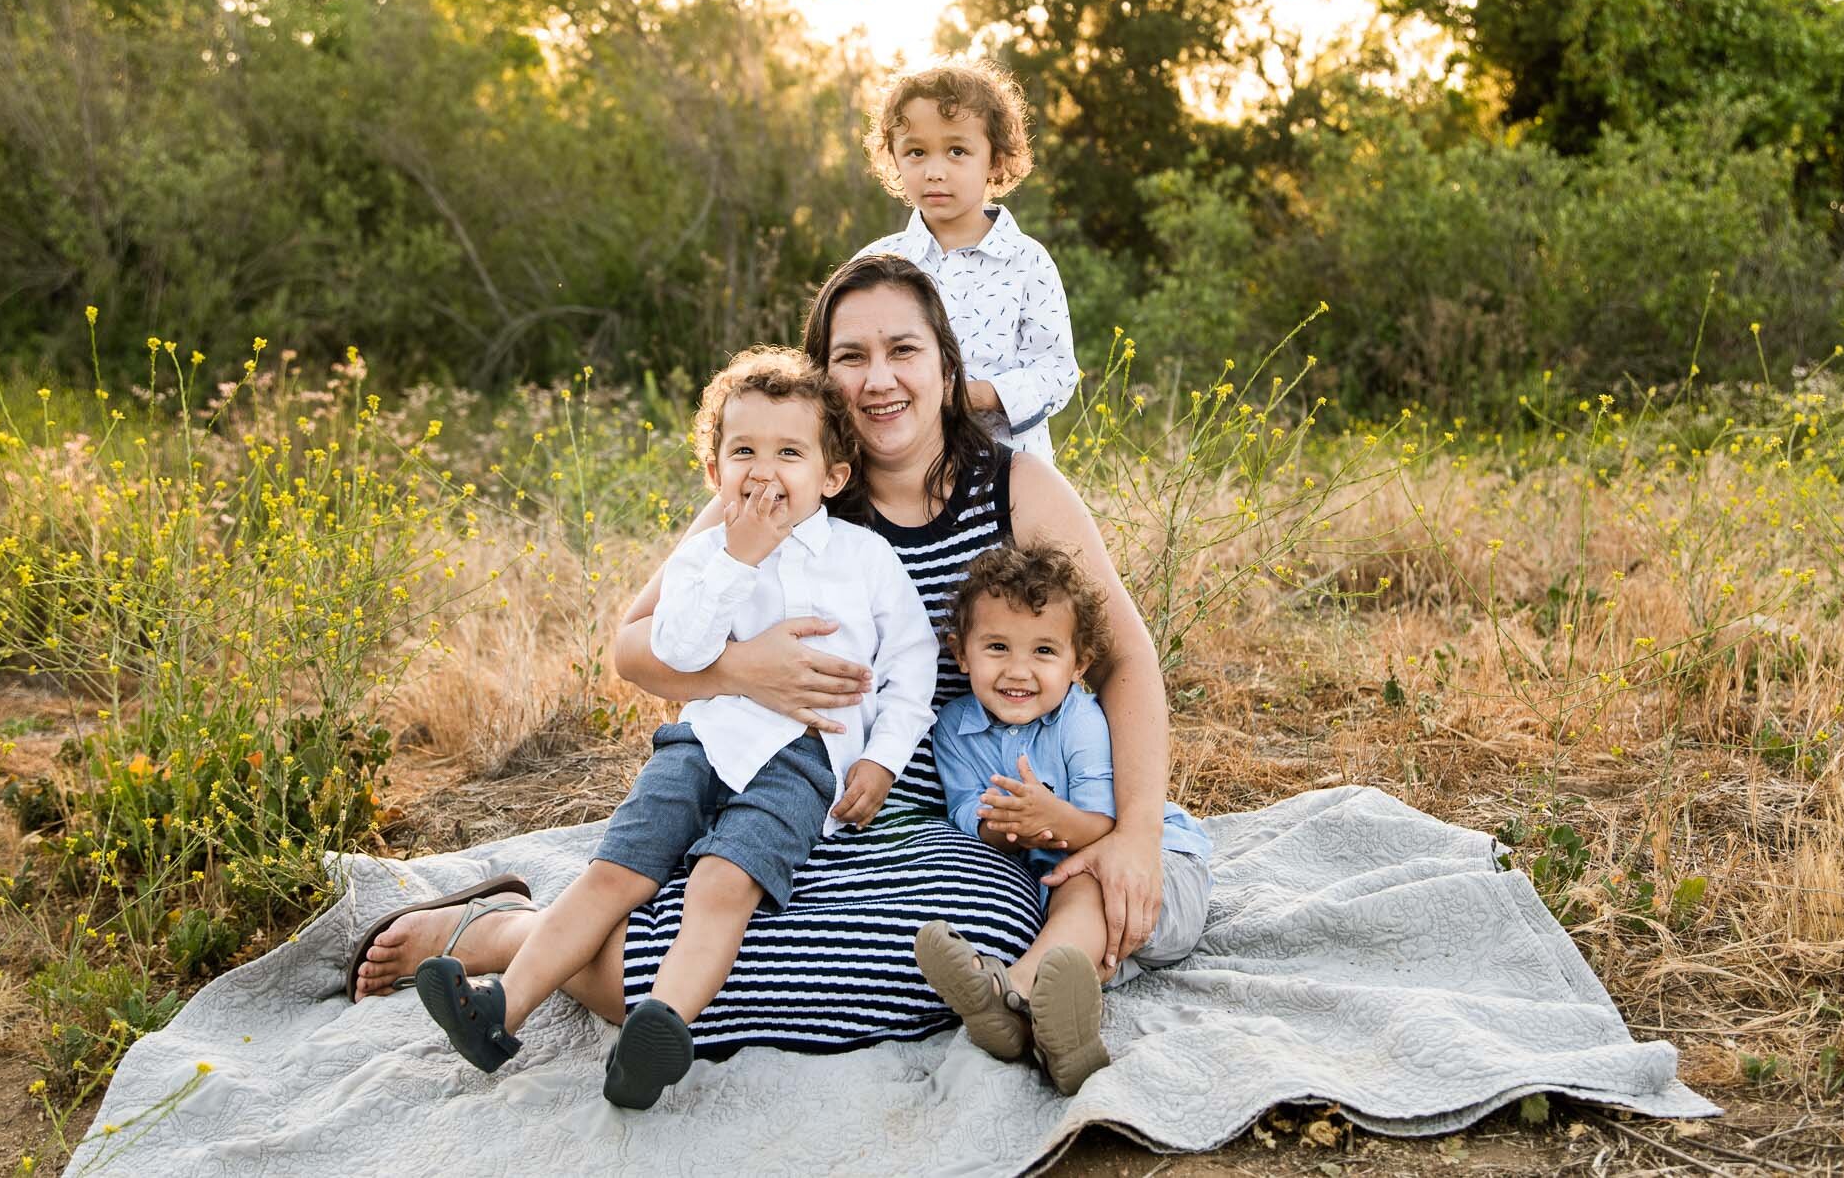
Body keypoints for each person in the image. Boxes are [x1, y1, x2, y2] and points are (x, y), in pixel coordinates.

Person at [346, 254, 1169, 1078]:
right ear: (823, 379)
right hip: (780, 793)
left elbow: (1125, 658)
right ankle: (499, 933)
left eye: (904, 351)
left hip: (934, 821)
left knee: (979, 939)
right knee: (661, 963)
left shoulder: (1016, 488)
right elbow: (634, 648)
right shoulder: (778, 481)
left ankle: (547, 945)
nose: (879, 379)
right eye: (851, 357)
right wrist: (743, 670)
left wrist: (1135, 831)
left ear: (947, 366)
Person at [405, 348, 937, 1108]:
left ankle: (658, 1027)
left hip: (804, 758)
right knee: (614, 872)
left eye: (789, 452)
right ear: (715, 470)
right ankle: (499, 1009)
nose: (764, 469)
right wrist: (738, 557)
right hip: (701, 741)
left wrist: (881, 761)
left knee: (725, 884)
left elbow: (912, 670)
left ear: (833, 475)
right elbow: (676, 647)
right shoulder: (707, 554)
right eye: (742, 451)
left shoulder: (867, 558)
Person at [915, 543, 1212, 1095]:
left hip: (1156, 871)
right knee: (1071, 935)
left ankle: (1010, 990)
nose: (1018, 671)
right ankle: (1060, 1038)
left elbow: (1105, 828)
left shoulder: (1079, 719)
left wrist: (1049, 819)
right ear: (961, 653)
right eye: (997, 647)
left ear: (1078, 664)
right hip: (1077, 903)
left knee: (1081, 884)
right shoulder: (954, 729)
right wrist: (1000, 827)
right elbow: (965, 813)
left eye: (1044, 651)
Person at [856, 60, 1076, 461]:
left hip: (1004, 471)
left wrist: (981, 395)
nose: (935, 171)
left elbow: (1056, 371)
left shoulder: (1028, 262)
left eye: (957, 151)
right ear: (894, 158)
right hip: (900, 474)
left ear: (994, 160)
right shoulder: (876, 263)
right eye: (916, 152)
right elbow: (844, 358)